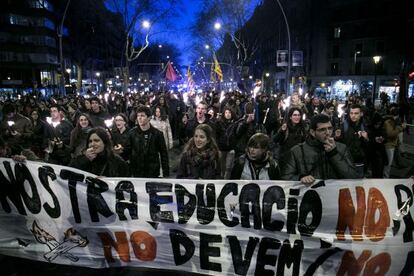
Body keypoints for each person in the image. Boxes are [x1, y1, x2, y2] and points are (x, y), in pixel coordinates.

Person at [281, 114, 358, 185]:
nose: (328, 133)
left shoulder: (342, 148)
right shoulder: (297, 151)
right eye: (322, 130)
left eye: (330, 128)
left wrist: (334, 154)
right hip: (311, 197)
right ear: (312, 132)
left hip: (335, 196)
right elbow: (286, 178)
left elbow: (352, 177)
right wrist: (300, 178)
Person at [126, 105, 169, 178]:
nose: (139, 118)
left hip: (152, 171)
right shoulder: (132, 133)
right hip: (137, 171)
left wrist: (166, 173)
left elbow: (163, 154)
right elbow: (128, 151)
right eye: (138, 115)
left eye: (142, 115)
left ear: (149, 118)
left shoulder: (157, 134)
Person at [335, 104, 369, 178]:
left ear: (361, 114)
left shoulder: (365, 126)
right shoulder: (344, 126)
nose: (353, 115)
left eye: (356, 113)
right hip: (346, 161)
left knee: (359, 184)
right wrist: (337, 137)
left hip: (359, 161)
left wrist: (366, 139)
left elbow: (369, 147)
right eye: (351, 113)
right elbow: (339, 144)